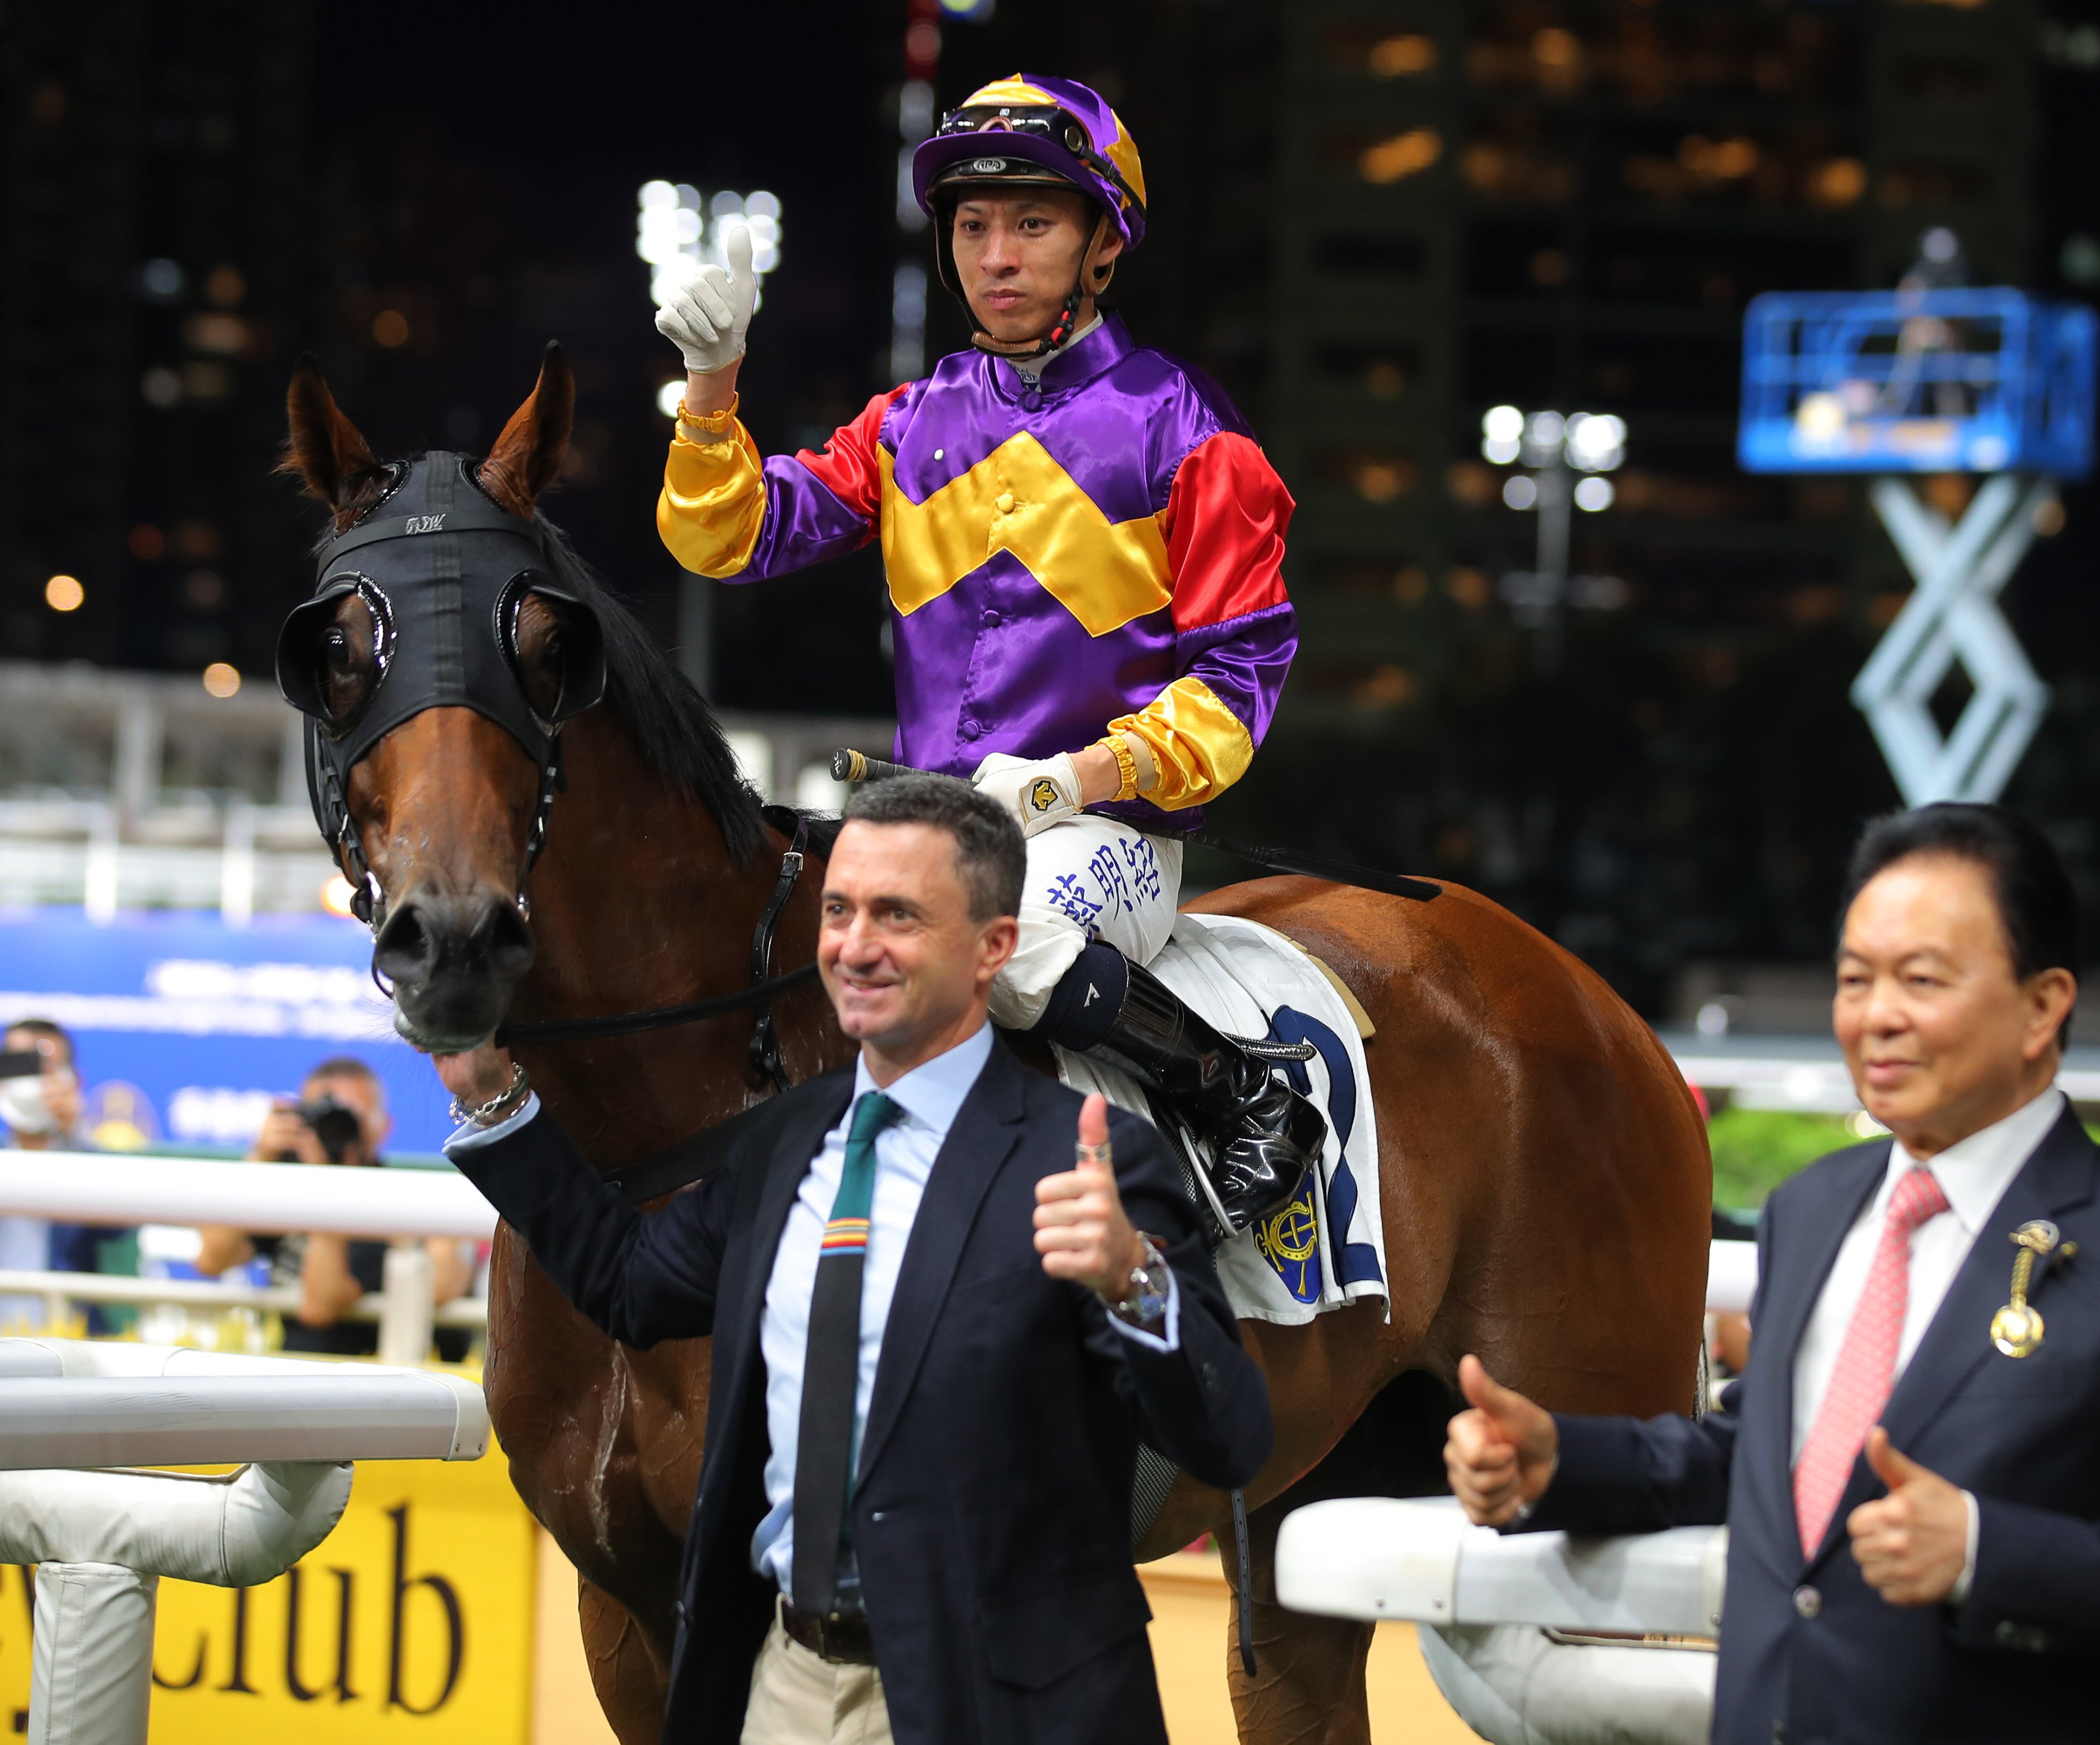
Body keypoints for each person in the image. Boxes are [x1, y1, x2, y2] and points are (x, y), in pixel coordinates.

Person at [431, 773, 1270, 1745]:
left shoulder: (1098, 1158)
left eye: (898, 914)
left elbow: (1228, 1438)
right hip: (783, 1687)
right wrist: (494, 1099)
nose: (856, 945)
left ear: (996, 946)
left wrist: (1138, 1281)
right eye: (839, 909)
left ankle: (1239, 1084)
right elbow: (631, 1280)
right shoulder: (783, 1145)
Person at [1443, 802, 2100, 1744]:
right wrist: (1562, 1460)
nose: (1878, 1015)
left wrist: (1982, 1548)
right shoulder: (1813, 1208)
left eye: (1922, 979)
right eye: (1855, 978)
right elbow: (1770, 1457)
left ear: (2044, 1005)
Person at [651, 73, 1323, 1236]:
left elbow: (1234, 689)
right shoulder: (911, 421)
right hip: (929, 820)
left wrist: (1078, 779)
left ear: (1101, 241)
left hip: (1102, 833)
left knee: (1002, 946)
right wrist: (712, 391)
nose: (995, 254)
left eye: (1032, 223)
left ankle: (1235, 1086)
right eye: (972, 225)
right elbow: (731, 537)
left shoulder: (1189, 430)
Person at [196, 1057, 476, 1360]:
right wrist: (259, 1159)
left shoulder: (397, 1204)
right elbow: (213, 1258)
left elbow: (321, 1306)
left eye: (351, 1116)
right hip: (296, 1377)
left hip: (377, 1383)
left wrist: (328, 1186)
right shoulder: (287, 1191)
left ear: (383, 1126)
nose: (338, 1127)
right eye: (322, 1115)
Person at [0, 1018, 85, 1329]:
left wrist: (74, 1137)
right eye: (17, 1064)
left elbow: (119, 1232)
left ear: (72, 1081)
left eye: (46, 1067)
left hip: (67, 1341)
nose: (31, 1081)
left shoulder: (89, 1162)